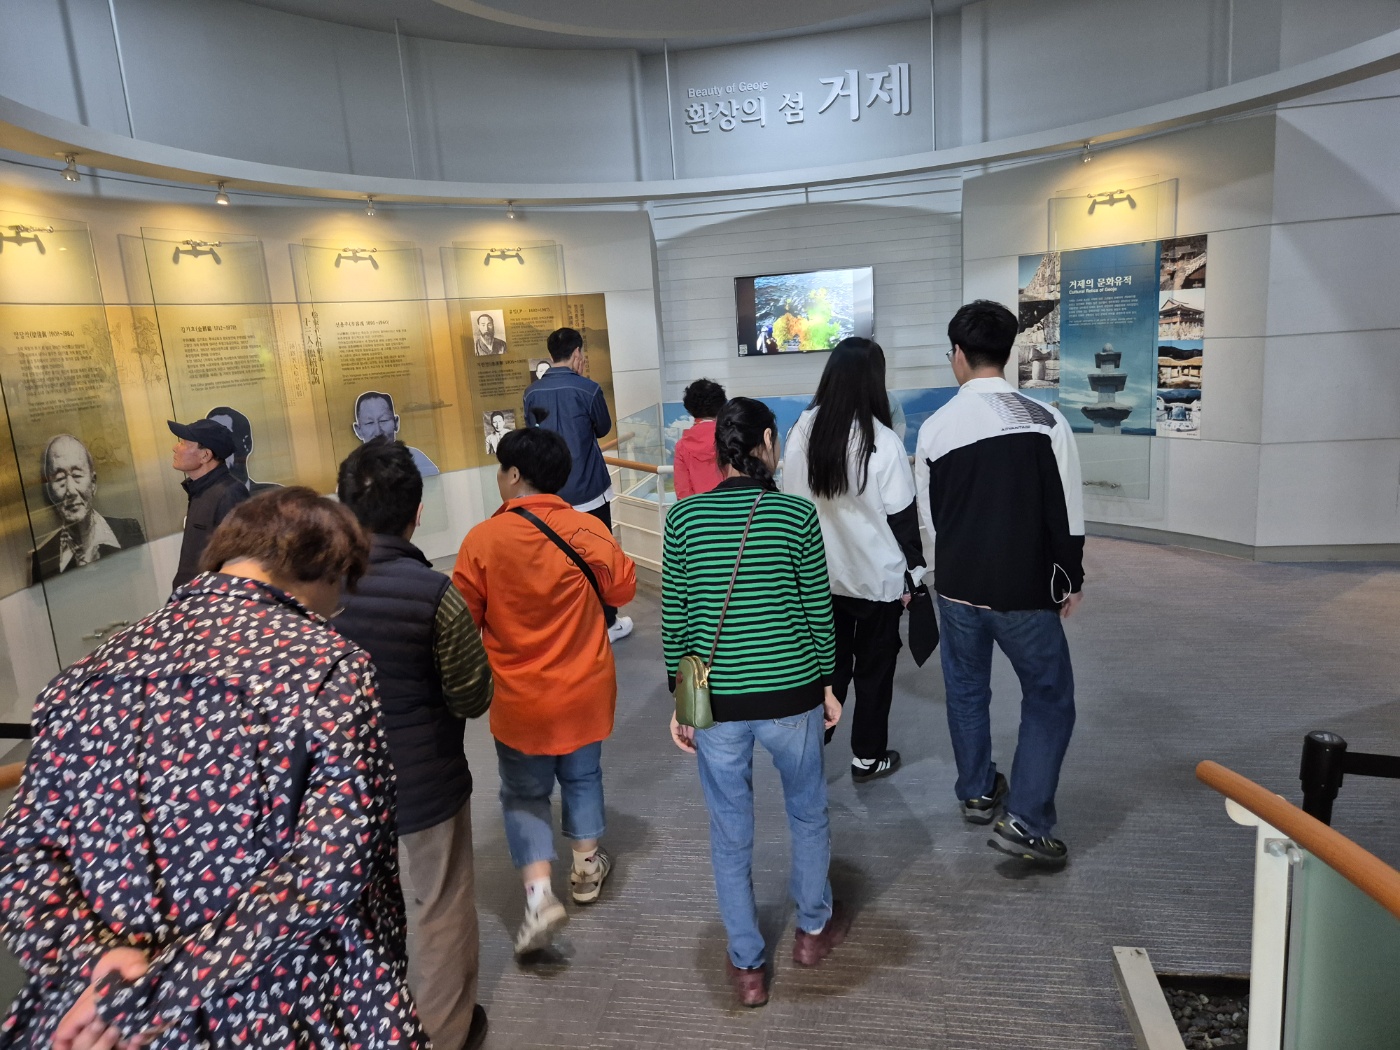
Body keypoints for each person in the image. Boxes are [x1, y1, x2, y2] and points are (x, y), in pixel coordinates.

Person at [0, 487, 429, 1048]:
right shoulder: (328, 667)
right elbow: (330, 868)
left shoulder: (83, 677)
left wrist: (96, 966)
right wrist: (161, 990)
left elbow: (25, 850)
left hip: (92, 1020)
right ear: (325, 570)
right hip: (283, 999)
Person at [662, 397, 849, 1009]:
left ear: (720, 452)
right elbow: (818, 610)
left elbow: (677, 622)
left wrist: (681, 701)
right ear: (767, 442)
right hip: (792, 692)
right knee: (808, 812)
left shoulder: (684, 520)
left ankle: (748, 967)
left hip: (718, 703)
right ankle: (812, 932)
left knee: (729, 830)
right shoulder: (795, 514)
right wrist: (828, 683)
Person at [333, 438, 494, 1050]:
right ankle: (443, 1034)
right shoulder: (434, 595)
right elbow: (471, 696)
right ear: (418, 513)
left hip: (335, 792)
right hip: (425, 784)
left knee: (354, 911)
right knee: (439, 908)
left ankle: (367, 1022)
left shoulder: (307, 594)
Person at [452, 426, 636, 958]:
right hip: (584, 689)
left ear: (513, 475)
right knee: (583, 775)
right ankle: (586, 868)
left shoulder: (482, 540)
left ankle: (538, 897)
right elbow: (623, 588)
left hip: (520, 697)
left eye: (500, 470)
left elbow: (464, 619)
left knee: (523, 793)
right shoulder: (586, 530)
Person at [914, 300, 1085, 868]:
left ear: (959, 355)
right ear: (1007, 354)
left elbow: (930, 522)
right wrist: (1070, 577)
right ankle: (1028, 821)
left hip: (957, 587)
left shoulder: (935, 428)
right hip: (1025, 590)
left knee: (966, 691)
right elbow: (1068, 513)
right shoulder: (1044, 420)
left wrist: (941, 573)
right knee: (1049, 696)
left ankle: (977, 790)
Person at [782, 338, 926, 782]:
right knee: (875, 671)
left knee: (827, 670)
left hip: (817, 579)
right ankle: (867, 756)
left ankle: (811, 754)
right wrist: (916, 577)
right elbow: (903, 521)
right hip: (876, 580)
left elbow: (790, 504)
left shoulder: (800, 431)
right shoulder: (881, 441)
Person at [523, 327, 632, 642]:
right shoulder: (589, 389)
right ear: (577, 353)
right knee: (599, 557)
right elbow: (603, 428)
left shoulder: (531, 393)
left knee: (558, 560)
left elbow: (533, 433)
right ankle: (607, 623)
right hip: (590, 490)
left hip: (550, 494)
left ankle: (569, 625)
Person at [29, 434, 145, 583]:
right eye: (59, 478)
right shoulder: (43, 559)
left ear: (93, 483)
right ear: (50, 491)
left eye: (77, 475)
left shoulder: (129, 532)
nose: (70, 490)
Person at [169, 417, 248, 591]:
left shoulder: (229, 493)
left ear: (205, 455)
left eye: (184, 443)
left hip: (209, 600)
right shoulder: (200, 490)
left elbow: (237, 560)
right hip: (193, 597)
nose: (175, 447)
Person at [352, 390, 441, 477]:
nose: (378, 431)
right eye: (369, 423)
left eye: (384, 420)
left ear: (396, 423)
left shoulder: (417, 459)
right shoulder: (352, 469)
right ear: (358, 430)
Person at [672, 378, 726, 499]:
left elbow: (683, 492)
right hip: (734, 507)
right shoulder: (732, 438)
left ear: (689, 408)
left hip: (697, 508)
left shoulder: (682, 446)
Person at [206, 405, 278, 493]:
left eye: (223, 438)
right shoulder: (199, 497)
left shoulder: (275, 495)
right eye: (210, 440)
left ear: (247, 444)